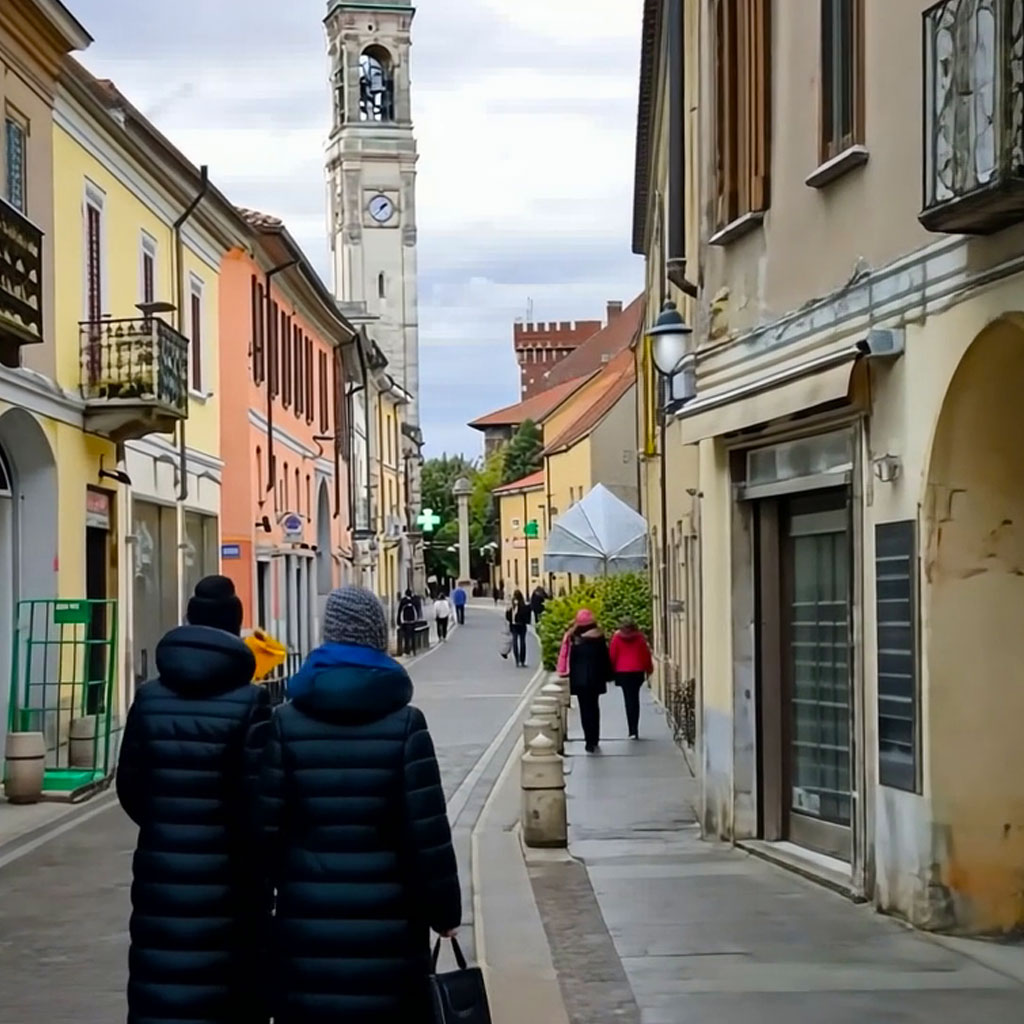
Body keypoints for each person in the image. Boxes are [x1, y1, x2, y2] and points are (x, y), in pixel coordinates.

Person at [255, 586, 461, 1023]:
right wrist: (444, 912)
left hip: (306, 925)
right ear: (376, 635)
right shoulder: (406, 724)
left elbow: (264, 832)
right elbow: (429, 835)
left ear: (328, 635)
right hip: (390, 930)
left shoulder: (285, 722)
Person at [117, 575, 270, 1024]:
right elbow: (259, 800)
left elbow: (130, 788)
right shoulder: (251, 703)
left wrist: (166, 822)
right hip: (231, 882)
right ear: (235, 628)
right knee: (227, 993)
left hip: (160, 876)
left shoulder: (148, 700)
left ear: (189, 620)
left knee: (161, 986)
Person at [567, 608, 612, 753]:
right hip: (595, 678)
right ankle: (595, 738)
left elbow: (570, 661)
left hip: (580, 680)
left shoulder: (574, 639)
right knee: (594, 707)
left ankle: (588, 741)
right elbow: (605, 659)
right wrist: (608, 676)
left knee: (584, 709)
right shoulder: (599, 638)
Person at [609, 618, 654, 739]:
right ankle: (635, 728)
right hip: (637, 671)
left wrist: (611, 671)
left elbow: (613, 655)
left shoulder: (616, 638)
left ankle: (631, 730)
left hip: (622, 671)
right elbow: (645, 654)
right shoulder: (640, 638)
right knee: (635, 699)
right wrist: (649, 669)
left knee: (628, 700)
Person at [506, 589, 531, 668]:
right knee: (521, 643)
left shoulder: (514, 606)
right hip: (521, 626)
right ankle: (521, 661)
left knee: (516, 642)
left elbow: (508, 616)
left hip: (515, 626)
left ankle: (518, 660)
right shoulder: (522, 605)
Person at [397, 588, 418, 655]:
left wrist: (399, 621)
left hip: (405, 622)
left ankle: (407, 651)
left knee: (406, 637)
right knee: (413, 636)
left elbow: (400, 611)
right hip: (412, 621)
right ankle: (414, 650)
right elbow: (417, 610)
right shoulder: (414, 600)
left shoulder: (403, 601)